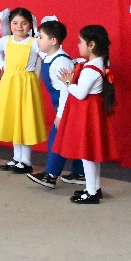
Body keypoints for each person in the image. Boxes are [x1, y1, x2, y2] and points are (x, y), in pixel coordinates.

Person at [54, 25, 119, 204]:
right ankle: (94, 188)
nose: (78, 45)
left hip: (87, 113)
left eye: (80, 42)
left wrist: (68, 83)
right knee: (91, 154)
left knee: (87, 154)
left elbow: (81, 93)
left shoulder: (90, 68)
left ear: (91, 45)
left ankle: (91, 192)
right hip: (91, 112)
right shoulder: (97, 64)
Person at [0, 7, 47, 174]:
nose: (19, 27)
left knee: (24, 120)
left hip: (27, 84)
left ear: (31, 25)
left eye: (24, 23)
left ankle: (26, 161)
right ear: (10, 25)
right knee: (14, 119)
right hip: (9, 83)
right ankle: (16, 158)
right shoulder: (5, 40)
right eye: (15, 23)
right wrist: (3, 65)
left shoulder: (34, 43)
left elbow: (46, 56)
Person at [27, 20, 85, 189]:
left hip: (68, 106)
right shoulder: (49, 55)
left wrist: (60, 115)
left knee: (57, 139)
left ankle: (50, 175)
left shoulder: (60, 62)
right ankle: (79, 173)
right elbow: (36, 47)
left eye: (40, 37)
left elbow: (66, 90)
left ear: (53, 41)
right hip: (62, 106)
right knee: (73, 139)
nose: (37, 40)